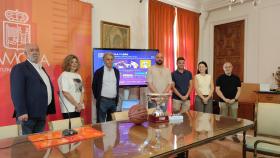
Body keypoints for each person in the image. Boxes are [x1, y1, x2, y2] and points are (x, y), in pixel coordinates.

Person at [10, 43, 55, 135]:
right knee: (26, 146)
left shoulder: (41, 68)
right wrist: (21, 111)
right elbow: (17, 92)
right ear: (25, 53)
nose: (35, 52)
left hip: (42, 113)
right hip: (27, 116)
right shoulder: (20, 68)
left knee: (38, 144)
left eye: (37, 50)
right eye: (31, 50)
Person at [216, 62, 241, 143]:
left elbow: (239, 90)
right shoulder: (220, 78)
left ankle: (234, 135)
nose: (227, 68)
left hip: (234, 102)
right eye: (226, 67)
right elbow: (217, 90)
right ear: (223, 68)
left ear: (232, 67)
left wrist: (235, 99)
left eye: (229, 67)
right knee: (223, 119)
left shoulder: (236, 78)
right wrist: (224, 98)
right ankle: (222, 135)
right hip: (223, 102)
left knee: (234, 120)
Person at [92, 53, 120, 123]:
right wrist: (98, 97)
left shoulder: (116, 71)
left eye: (111, 59)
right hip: (102, 101)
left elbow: (116, 85)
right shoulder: (99, 72)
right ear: (104, 60)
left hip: (113, 101)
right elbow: (94, 86)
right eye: (108, 59)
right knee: (100, 123)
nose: (110, 61)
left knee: (112, 123)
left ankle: (109, 134)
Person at [58, 54, 84, 119]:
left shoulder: (78, 76)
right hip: (68, 109)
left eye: (76, 62)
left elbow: (81, 92)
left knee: (77, 128)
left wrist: (80, 104)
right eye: (72, 62)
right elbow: (65, 93)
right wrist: (76, 105)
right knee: (71, 128)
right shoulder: (64, 75)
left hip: (78, 108)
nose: (74, 64)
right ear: (67, 63)